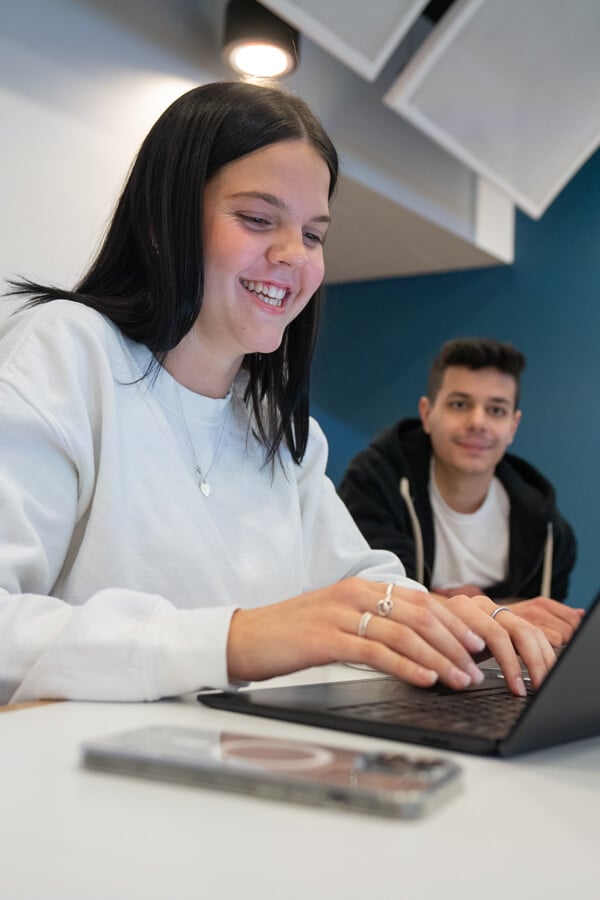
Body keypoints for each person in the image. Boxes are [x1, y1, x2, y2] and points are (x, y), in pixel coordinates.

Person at [0, 83, 555, 707]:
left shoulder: (277, 429)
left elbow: (360, 587)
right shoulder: (67, 352)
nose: (294, 256)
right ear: (162, 221)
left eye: (314, 235)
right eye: (258, 219)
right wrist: (238, 638)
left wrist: (466, 628)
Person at [338, 337, 583, 648]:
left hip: (502, 683)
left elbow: (542, 631)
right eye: (459, 404)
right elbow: (372, 599)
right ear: (427, 414)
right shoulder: (375, 486)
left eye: (496, 410)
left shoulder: (549, 532)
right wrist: (499, 610)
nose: (477, 422)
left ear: (513, 427)